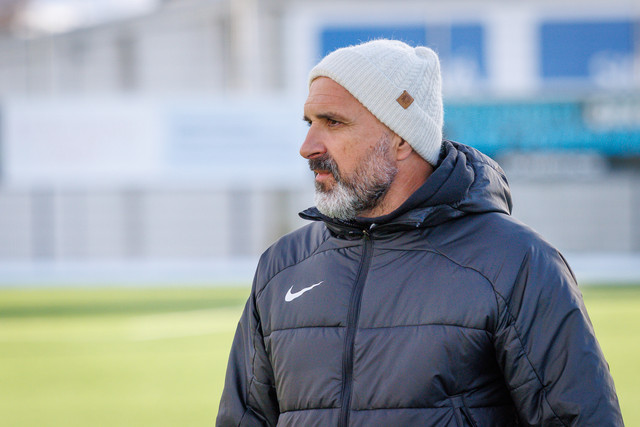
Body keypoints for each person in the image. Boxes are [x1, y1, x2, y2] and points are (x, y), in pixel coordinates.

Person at [216, 39, 623, 426]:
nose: (308, 146)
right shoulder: (282, 267)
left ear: (400, 138)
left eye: (333, 122)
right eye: (310, 123)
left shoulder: (516, 263)